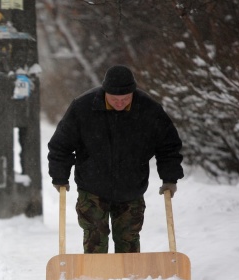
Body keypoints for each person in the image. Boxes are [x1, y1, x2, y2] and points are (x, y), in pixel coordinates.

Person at [47, 65, 184, 254]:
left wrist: (170, 178)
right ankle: (95, 278)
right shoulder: (83, 107)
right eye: (114, 99)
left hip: (132, 187)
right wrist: (59, 176)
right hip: (92, 186)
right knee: (95, 236)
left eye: (125, 99)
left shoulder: (148, 110)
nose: (120, 103)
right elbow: (61, 145)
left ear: (133, 93)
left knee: (128, 239)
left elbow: (168, 146)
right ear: (105, 92)